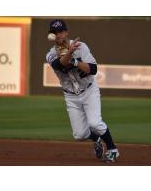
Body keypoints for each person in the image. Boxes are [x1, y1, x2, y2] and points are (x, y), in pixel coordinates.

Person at [46, 19, 119, 162]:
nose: (58, 35)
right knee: (79, 135)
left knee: (95, 123)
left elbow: (93, 69)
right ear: (52, 36)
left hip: (89, 91)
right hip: (71, 96)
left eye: (61, 31)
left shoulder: (81, 47)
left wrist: (75, 60)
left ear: (66, 32)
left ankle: (113, 149)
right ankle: (97, 139)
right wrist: (69, 54)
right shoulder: (50, 54)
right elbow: (59, 65)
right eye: (55, 32)